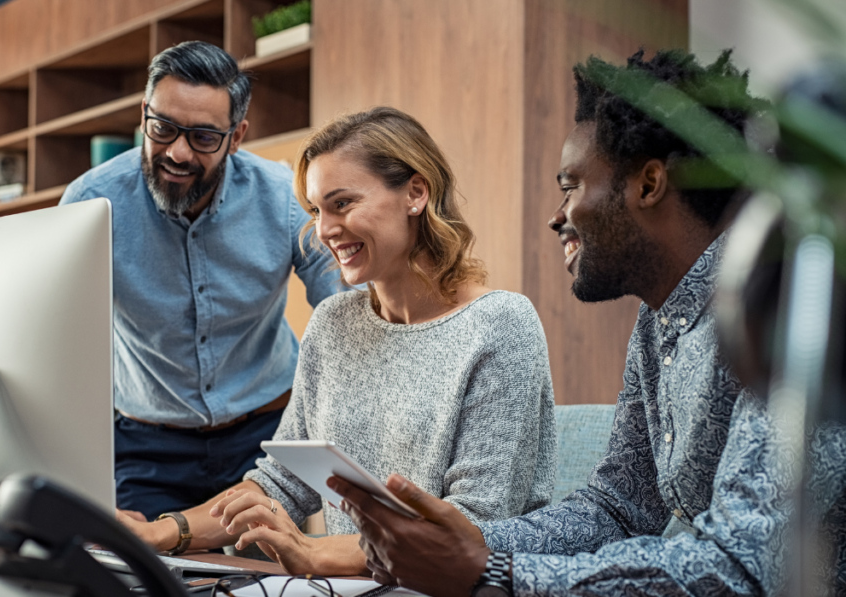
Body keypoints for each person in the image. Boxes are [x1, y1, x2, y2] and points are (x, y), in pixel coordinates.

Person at [333, 49, 844, 596]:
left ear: (648, 185)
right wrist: (476, 543)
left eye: (570, 185)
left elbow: (741, 566)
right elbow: (618, 509)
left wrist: (493, 573)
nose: (557, 216)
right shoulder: (657, 324)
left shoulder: (786, 305)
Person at [117, 107, 557, 575]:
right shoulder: (332, 323)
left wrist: (314, 553)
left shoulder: (501, 325)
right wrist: (163, 532)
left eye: (342, 203)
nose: (324, 230)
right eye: (316, 211)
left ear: (415, 192)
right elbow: (280, 483)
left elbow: (473, 528)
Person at [59, 41, 342, 519]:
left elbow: (345, 308)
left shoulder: (283, 199)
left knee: (264, 586)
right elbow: (57, 336)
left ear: (237, 136)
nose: (177, 152)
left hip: (266, 439)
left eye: (204, 138)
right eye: (163, 128)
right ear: (144, 112)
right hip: (147, 449)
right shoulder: (90, 204)